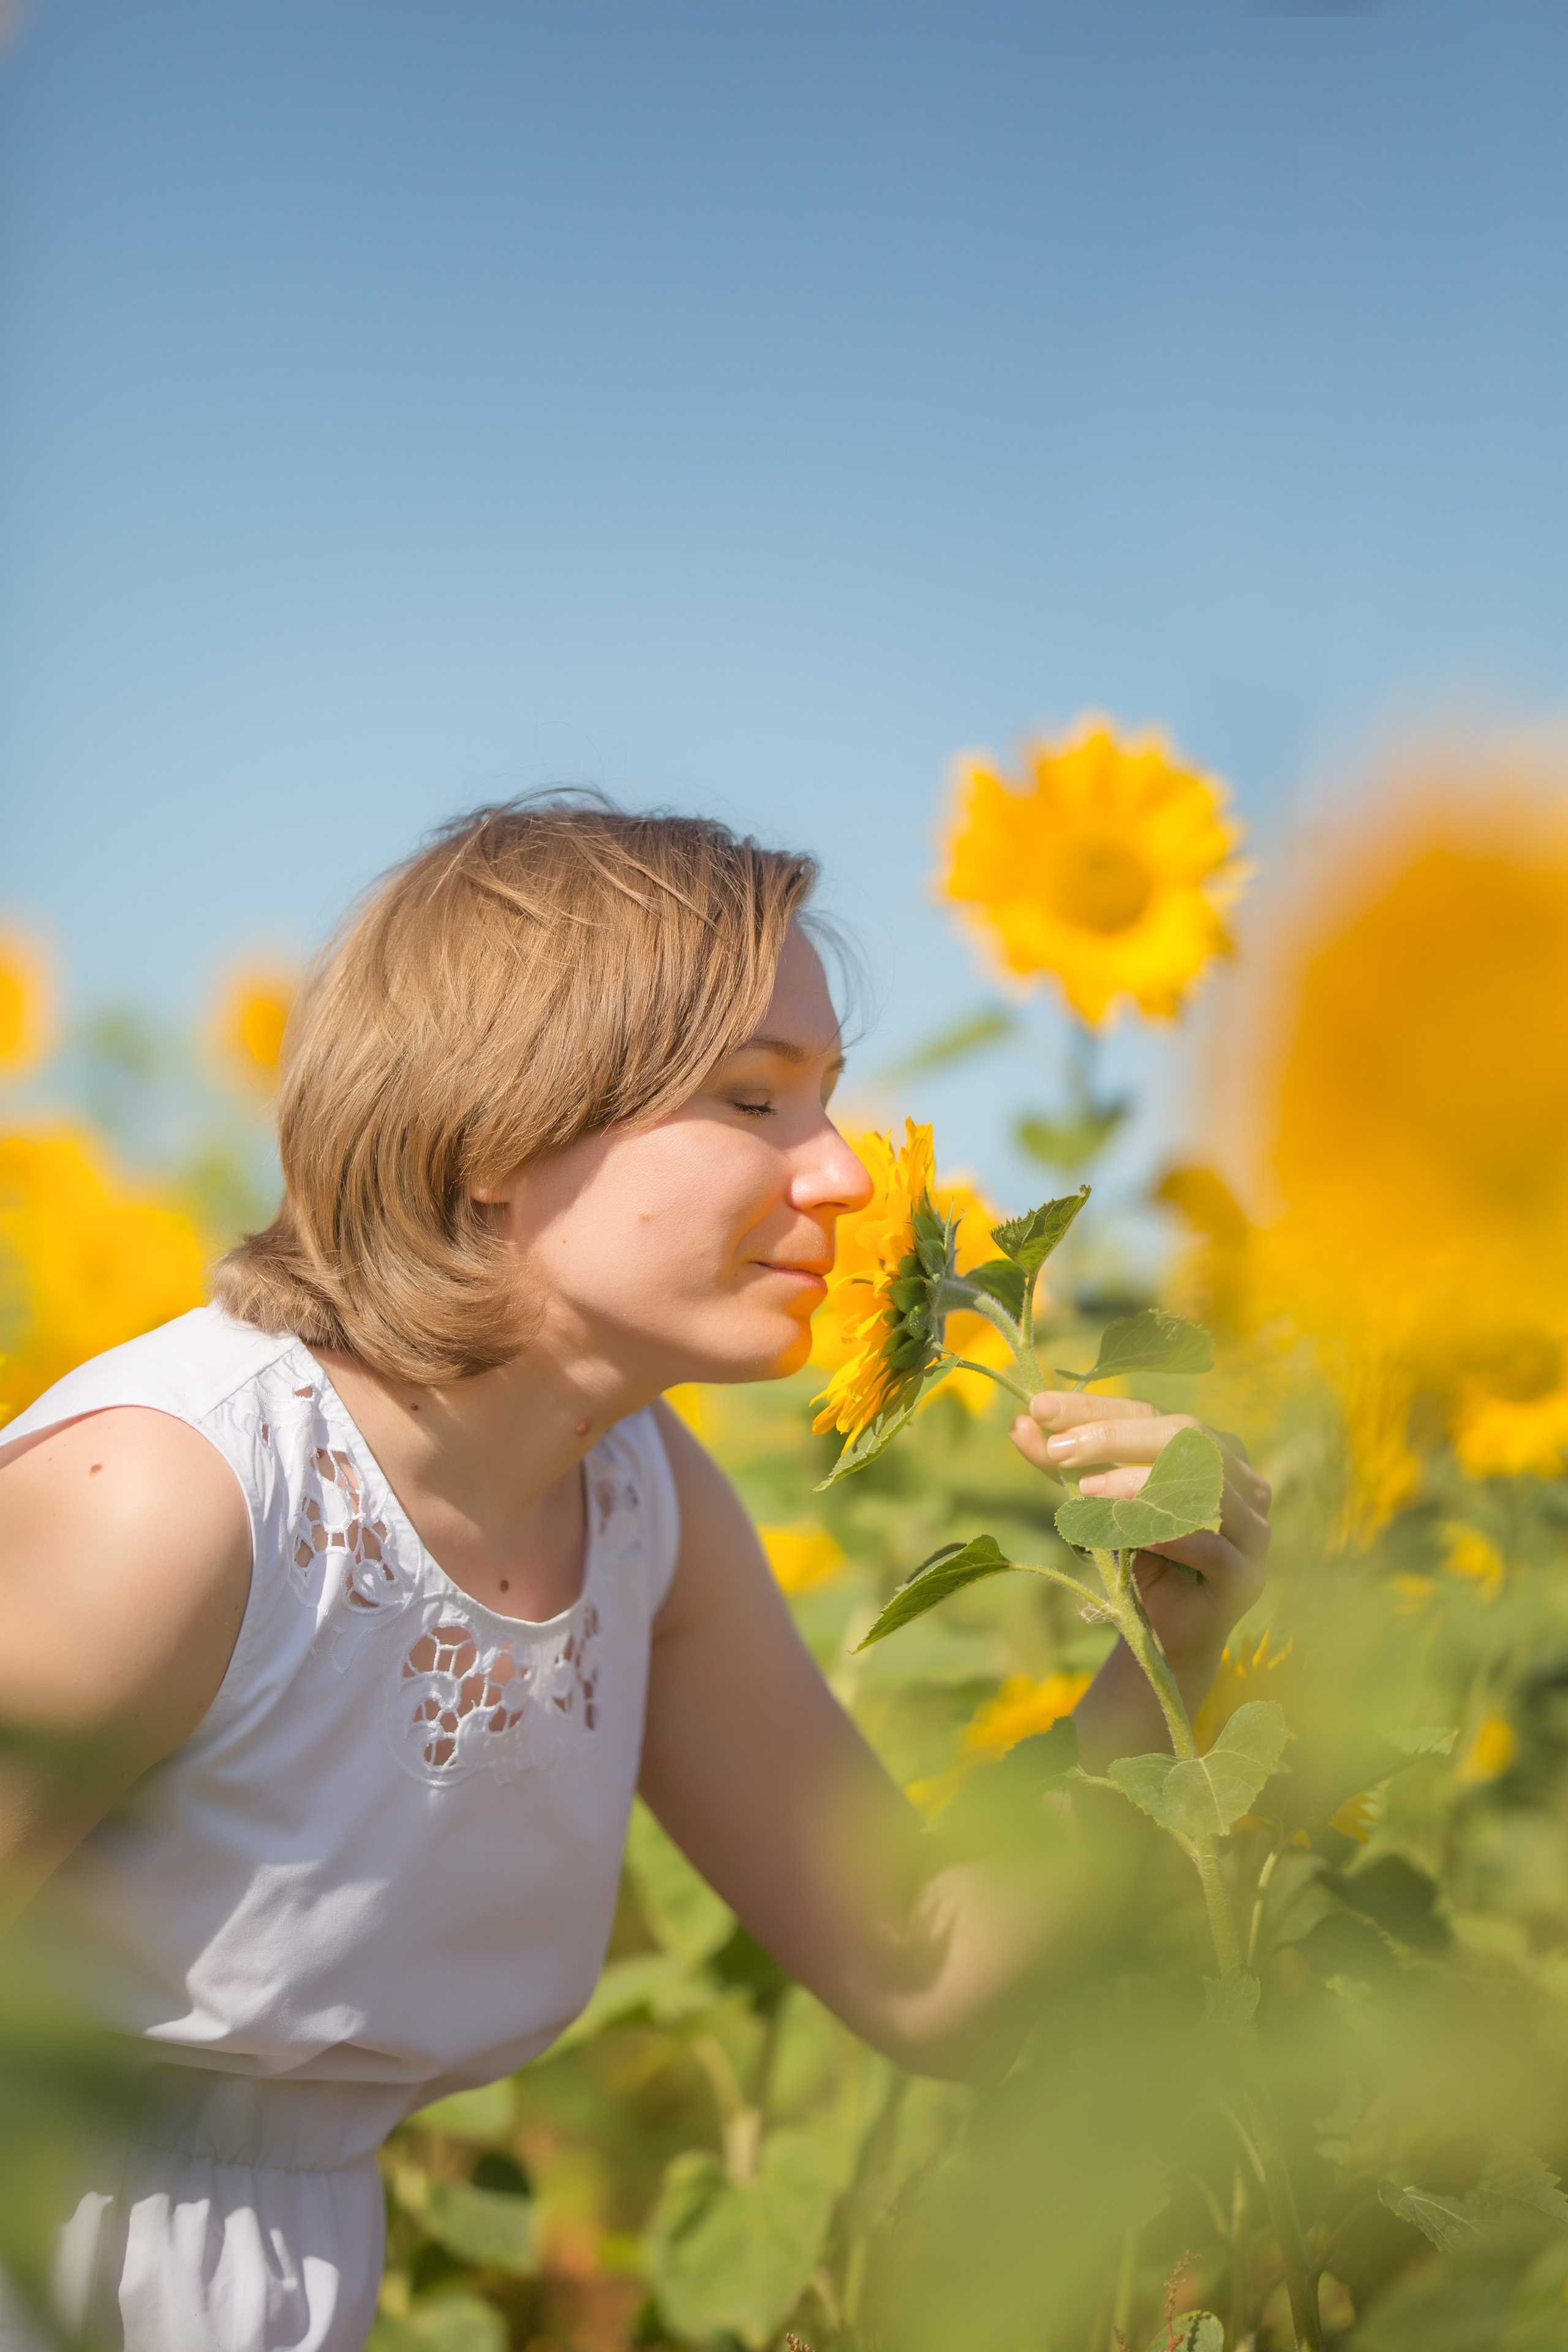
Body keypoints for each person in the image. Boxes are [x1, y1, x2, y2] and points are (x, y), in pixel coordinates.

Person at [0, 801, 1270, 2352]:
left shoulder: (637, 1502)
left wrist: (1167, 1651)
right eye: (752, 1100)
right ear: (490, 1134)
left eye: (830, 1099)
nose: (848, 1178)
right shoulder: (170, 1501)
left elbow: (932, 1974)